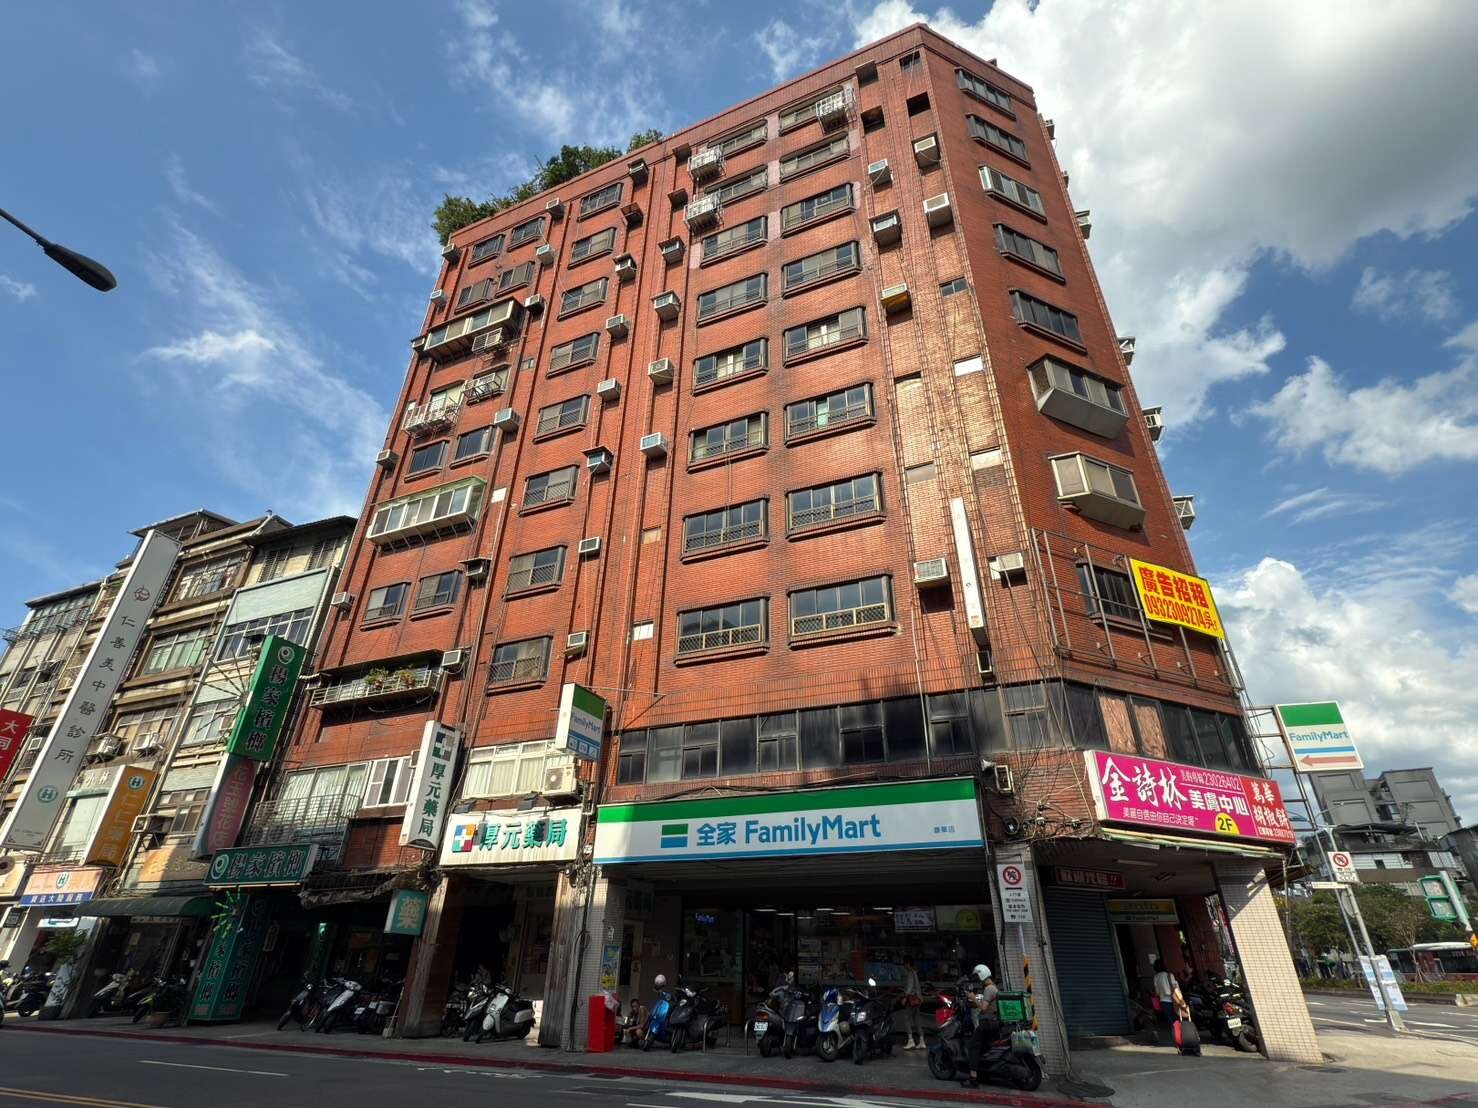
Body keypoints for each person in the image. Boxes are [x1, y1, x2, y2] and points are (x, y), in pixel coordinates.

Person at [962, 964, 999, 1089]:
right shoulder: (994, 987)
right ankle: (984, 1073)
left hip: (987, 1024)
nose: (978, 980)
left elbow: (983, 1007)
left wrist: (973, 998)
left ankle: (973, 1079)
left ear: (982, 975)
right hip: (993, 1023)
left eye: (978, 977)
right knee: (983, 1048)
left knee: (972, 1046)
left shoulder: (989, 989)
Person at [900, 955, 924, 1050]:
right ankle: (922, 1041)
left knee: (906, 1019)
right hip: (917, 999)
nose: (904, 966)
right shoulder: (915, 972)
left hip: (912, 999)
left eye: (904, 964)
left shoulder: (910, 973)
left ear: (907, 963)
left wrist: (905, 997)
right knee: (917, 1020)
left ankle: (911, 1041)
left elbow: (910, 988)